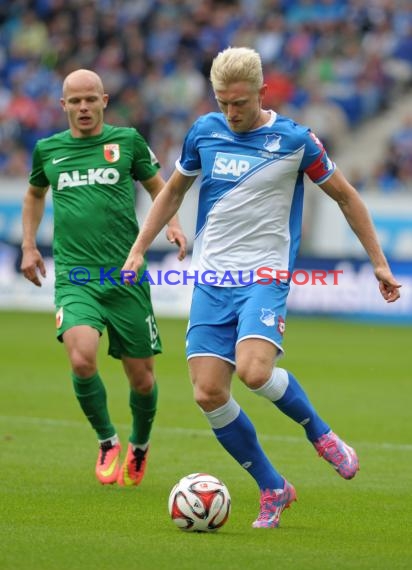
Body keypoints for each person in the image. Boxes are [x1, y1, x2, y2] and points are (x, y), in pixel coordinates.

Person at [122, 47, 401, 528]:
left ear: (262, 93)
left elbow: (346, 197)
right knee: (208, 393)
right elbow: (173, 191)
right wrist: (139, 247)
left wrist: (378, 263)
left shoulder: (295, 140)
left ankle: (320, 432)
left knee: (253, 372)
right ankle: (274, 487)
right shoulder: (203, 132)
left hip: (264, 275)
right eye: (223, 102)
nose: (231, 113)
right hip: (213, 278)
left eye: (241, 103)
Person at [20, 69, 187, 487]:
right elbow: (34, 194)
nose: (83, 108)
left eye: (90, 99)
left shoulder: (126, 142)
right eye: (74, 101)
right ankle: (107, 440)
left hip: (126, 277)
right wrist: (28, 244)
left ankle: (140, 444)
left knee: (142, 379)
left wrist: (173, 223)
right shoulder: (48, 150)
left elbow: (159, 187)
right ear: (63, 106)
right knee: (80, 357)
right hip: (76, 278)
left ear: (104, 100)